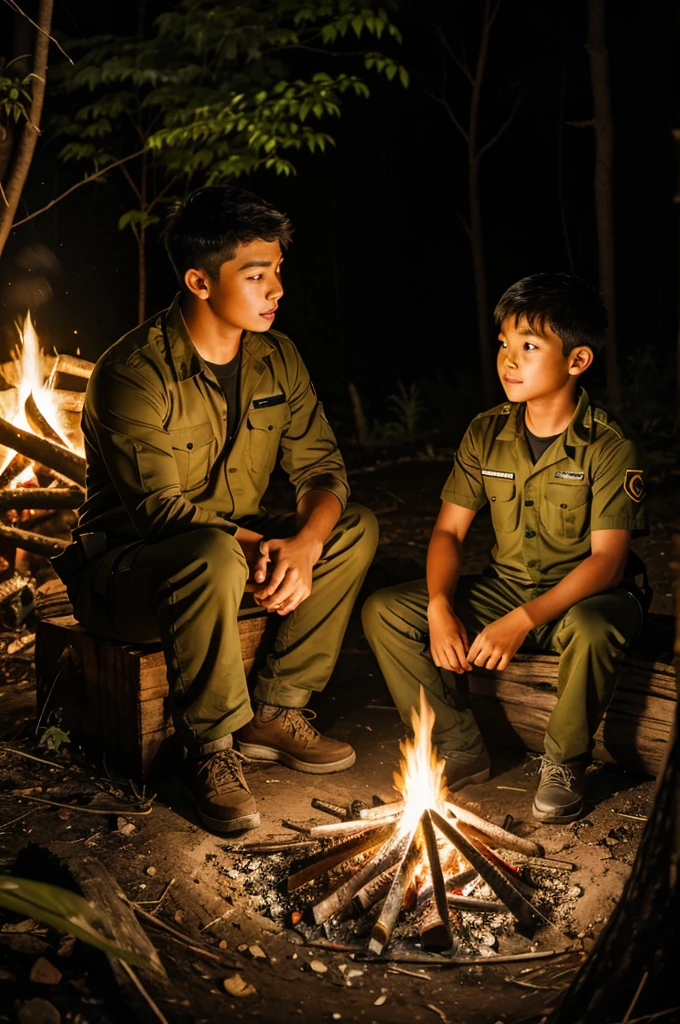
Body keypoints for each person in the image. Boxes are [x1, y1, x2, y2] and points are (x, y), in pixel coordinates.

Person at [53, 185, 378, 833]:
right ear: (199, 280)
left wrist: (306, 544)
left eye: (278, 271)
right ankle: (211, 748)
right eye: (256, 276)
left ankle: (274, 709)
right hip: (131, 576)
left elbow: (321, 470)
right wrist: (262, 547)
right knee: (207, 551)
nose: (276, 290)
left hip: (234, 558)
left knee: (352, 528)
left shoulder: (275, 357)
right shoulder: (132, 373)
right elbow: (160, 514)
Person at [362, 272, 648, 824]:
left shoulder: (610, 446)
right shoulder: (486, 432)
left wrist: (522, 620)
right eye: (504, 345)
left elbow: (608, 562)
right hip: (506, 587)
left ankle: (565, 761)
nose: (508, 361)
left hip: (587, 597)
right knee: (386, 611)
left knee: (593, 629)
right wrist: (441, 607)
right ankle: (459, 745)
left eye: (529, 347)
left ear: (577, 361)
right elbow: (448, 533)